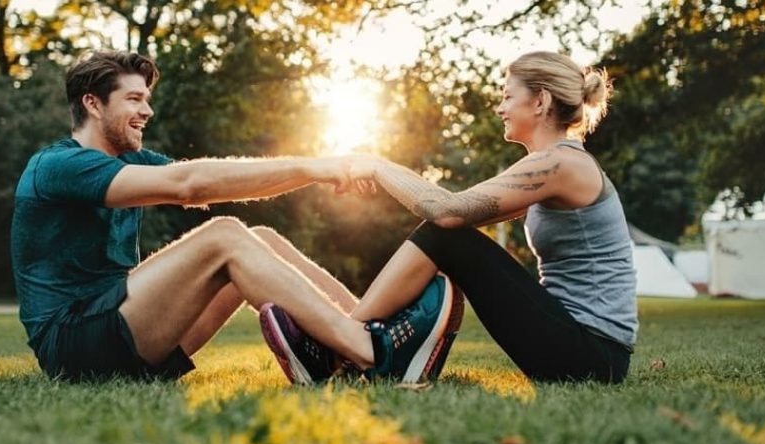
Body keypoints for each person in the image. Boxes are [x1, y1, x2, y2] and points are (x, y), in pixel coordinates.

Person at [10, 50, 463, 383]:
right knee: (224, 236)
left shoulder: (136, 163)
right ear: (93, 104)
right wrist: (311, 166)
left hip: (120, 331)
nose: (146, 110)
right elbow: (191, 186)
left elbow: (224, 179)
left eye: (146, 99)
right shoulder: (57, 166)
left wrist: (317, 172)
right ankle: (373, 353)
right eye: (133, 99)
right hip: (73, 345)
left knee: (261, 237)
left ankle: (365, 332)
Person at [262, 51, 635, 384]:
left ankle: (338, 345)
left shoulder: (561, 164)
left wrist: (376, 165)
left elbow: (447, 212)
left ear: (540, 101)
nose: (500, 108)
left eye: (507, 96)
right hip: (583, 348)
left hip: (592, 355)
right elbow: (453, 211)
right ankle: (357, 340)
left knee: (447, 234)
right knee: (447, 237)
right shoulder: (556, 165)